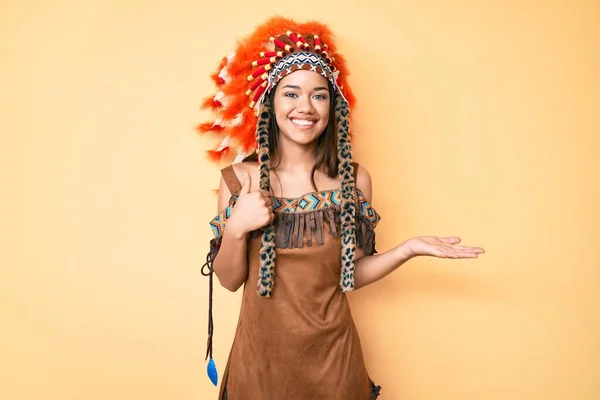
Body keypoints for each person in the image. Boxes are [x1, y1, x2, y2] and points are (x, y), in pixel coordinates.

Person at [198, 16, 485, 400]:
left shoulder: (354, 180)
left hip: (334, 362)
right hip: (260, 364)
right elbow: (230, 281)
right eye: (291, 93)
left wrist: (408, 249)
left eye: (319, 94)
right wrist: (236, 228)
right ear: (270, 102)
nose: (306, 106)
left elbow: (348, 276)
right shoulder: (240, 180)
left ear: (333, 105)